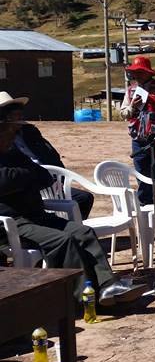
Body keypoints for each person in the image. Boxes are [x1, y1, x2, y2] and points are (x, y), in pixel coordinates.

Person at [0, 106, 146, 305]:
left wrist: (23, 177)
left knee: (83, 232)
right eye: (11, 130)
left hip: (36, 216)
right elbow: (5, 182)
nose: (14, 135)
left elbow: (44, 176)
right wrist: (26, 176)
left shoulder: (13, 154)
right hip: (12, 224)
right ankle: (83, 298)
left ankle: (106, 286)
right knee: (63, 240)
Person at [0, 93, 95, 219]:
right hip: (28, 184)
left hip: (46, 177)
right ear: (5, 118)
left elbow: (51, 154)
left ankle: (69, 225)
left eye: (20, 114)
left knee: (84, 198)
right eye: (15, 115)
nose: (20, 118)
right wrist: (34, 174)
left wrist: (58, 179)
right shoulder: (3, 142)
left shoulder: (29, 132)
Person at [119, 55, 155, 205]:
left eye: (139, 72)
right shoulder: (130, 91)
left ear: (148, 72)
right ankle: (145, 201)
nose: (136, 75)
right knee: (141, 170)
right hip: (138, 138)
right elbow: (123, 113)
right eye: (134, 72)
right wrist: (132, 107)